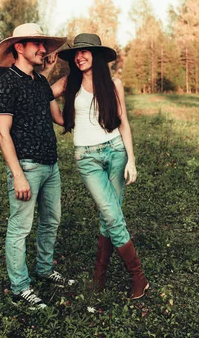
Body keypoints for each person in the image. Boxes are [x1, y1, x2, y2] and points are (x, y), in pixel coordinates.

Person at [53, 33, 148, 300]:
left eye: (85, 52)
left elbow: (123, 122)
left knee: (109, 216)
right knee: (111, 213)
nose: (79, 56)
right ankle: (138, 277)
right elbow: (41, 95)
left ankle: (99, 276)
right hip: (86, 158)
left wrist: (131, 159)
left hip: (116, 151)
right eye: (76, 54)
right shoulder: (69, 82)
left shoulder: (113, 83)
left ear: (96, 55)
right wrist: (48, 78)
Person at [0, 23, 75, 310]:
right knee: (20, 228)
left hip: (51, 165)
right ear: (19, 47)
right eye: (37, 45)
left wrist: (74, 82)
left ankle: (43, 269)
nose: (44, 50)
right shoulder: (6, 83)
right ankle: (19, 288)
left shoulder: (38, 82)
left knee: (51, 221)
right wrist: (18, 176)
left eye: (45, 46)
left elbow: (59, 119)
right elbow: (3, 133)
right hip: (26, 167)